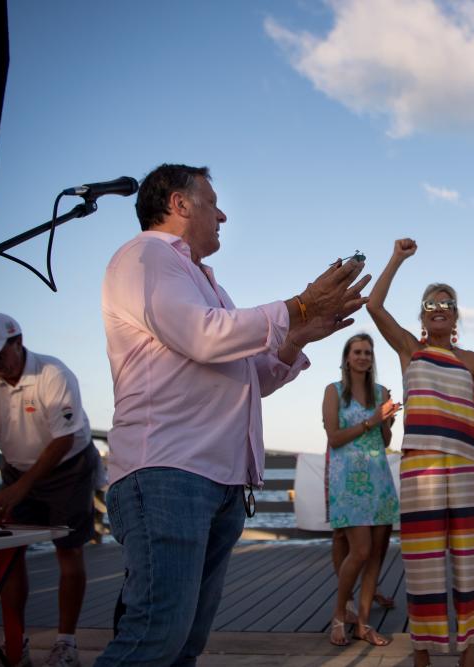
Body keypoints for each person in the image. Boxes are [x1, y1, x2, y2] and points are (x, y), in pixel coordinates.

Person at [96, 164, 369, 665]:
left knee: (182, 645)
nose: (222, 214)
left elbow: (250, 379)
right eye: (212, 202)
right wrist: (300, 306)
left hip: (213, 480)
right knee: (153, 639)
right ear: (179, 204)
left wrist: (299, 334)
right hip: (169, 473)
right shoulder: (148, 256)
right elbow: (204, 335)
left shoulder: (203, 281)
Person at [366, 238, 474, 667]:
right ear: (423, 316)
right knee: (423, 561)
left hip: (466, 468)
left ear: (456, 314)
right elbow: (374, 306)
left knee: (468, 559)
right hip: (421, 467)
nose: (439, 308)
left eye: (447, 303)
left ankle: (468, 652)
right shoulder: (412, 349)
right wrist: (397, 258)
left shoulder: (470, 359)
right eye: (431, 304)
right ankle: (423, 652)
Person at [0, 312, 101, 667]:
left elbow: (64, 439)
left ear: (18, 342)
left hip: (69, 468)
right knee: (10, 556)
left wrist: (21, 488)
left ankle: (66, 643)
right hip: (17, 470)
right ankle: (16, 642)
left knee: (68, 552)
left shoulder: (53, 374)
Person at [323, 333, 400, 646]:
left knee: (377, 556)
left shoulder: (381, 391)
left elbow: (384, 442)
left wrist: (387, 421)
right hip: (350, 482)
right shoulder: (334, 391)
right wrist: (371, 421)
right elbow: (335, 438)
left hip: (379, 479)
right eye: (357, 351)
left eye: (368, 352)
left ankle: (364, 624)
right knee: (361, 550)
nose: (363, 356)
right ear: (347, 357)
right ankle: (340, 614)